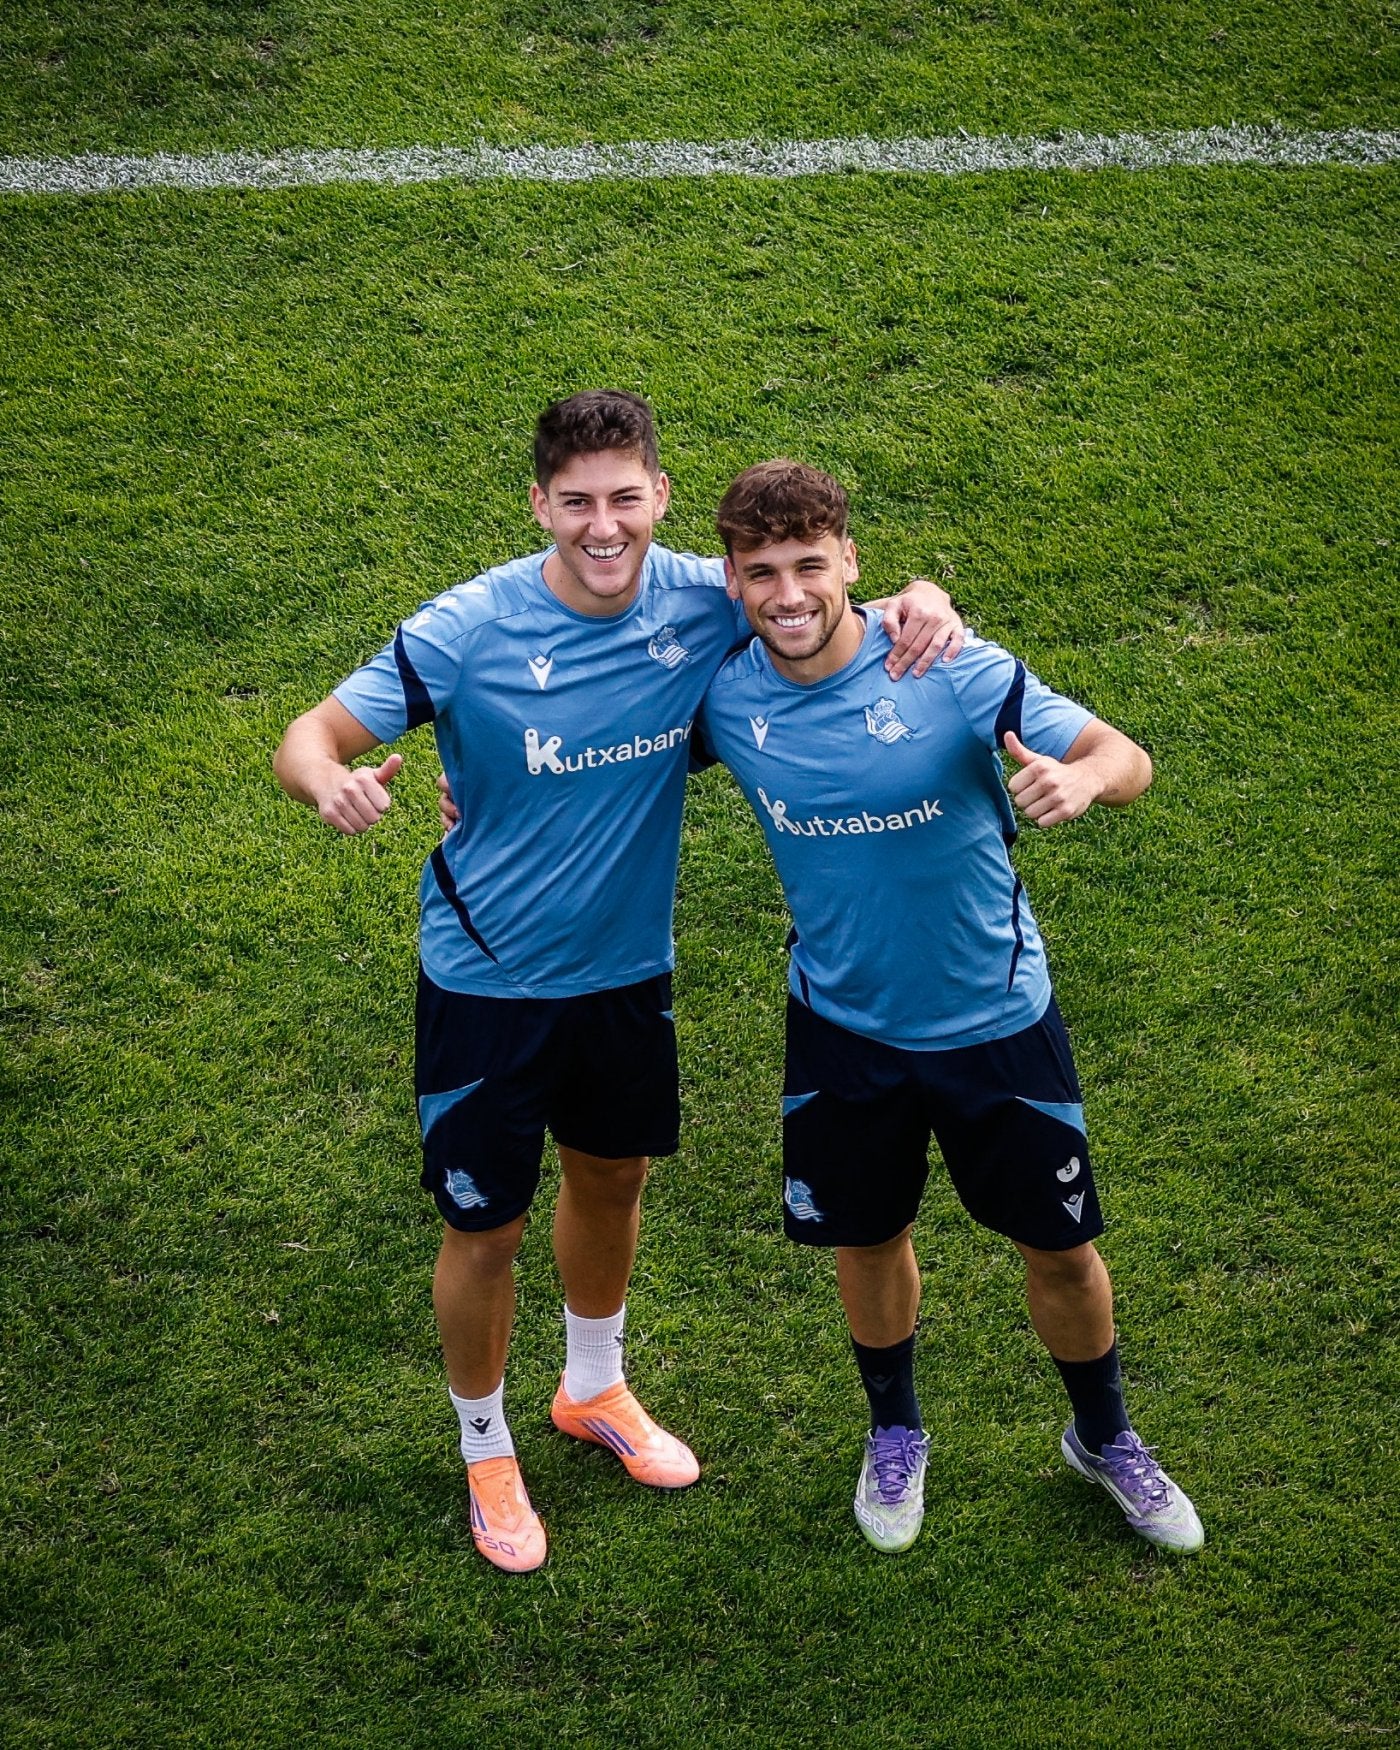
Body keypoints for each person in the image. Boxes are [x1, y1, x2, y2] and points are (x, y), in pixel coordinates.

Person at [273, 393, 963, 1573]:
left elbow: (822, 600)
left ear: (658, 498)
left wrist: (925, 600)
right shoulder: (463, 627)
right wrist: (328, 783)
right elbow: (309, 732)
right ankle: (486, 1446)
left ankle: (591, 1388)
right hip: (487, 983)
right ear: (540, 504)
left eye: (625, 498)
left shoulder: (706, 596)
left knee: (612, 1180)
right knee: (481, 1228)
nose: (604, 526)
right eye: (578, 502)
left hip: (625, 975)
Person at [693, 459, 1203, 1556]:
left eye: (809, 566)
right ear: (730, 578)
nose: (787, 594)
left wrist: (1081, 782)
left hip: (994, 1019)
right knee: (869, 1238)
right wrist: (478, 786)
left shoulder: (950, 665)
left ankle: (1102, 1437)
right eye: (761, 572)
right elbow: (607, 746)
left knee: (1059, 1251)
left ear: (851, 565)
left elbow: (1126, 755)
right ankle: (894, 1431)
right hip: (842, 1025)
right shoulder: (722, 692)